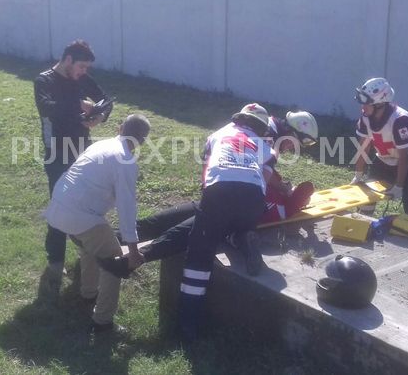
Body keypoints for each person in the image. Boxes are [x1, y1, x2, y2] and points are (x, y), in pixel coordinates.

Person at [98, 110, 320, 278]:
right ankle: (135, 257)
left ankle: (109, 240)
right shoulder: (268, 136)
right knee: (191, 229)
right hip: (232, 195)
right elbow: (261, 172)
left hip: (218, 185)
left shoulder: (260, 123)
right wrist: (282, 188)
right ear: (291, 131)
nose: (294, 149)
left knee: (173, 216)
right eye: (297, 143)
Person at [42, 114, 150, 333]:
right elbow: (126, 207)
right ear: (143, 141)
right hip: (78, 214)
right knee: (114, 261)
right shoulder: (126, 162)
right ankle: (102, 322)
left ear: (120, 128)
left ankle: (88, 293)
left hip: (58, 206)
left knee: (91, 246)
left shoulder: (102, 144)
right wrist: (132, 250)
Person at [178, 103, 274, 342]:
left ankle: (189, 323)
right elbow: (265, 177)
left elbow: (206, 169)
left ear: (239, 119)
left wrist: (207, 200)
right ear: (260, 128)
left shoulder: (217, 135)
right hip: (253, 198)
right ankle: (243, 236)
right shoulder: (264, 145)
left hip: (220, 190)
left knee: (200, 253)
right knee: (238, 224)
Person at [33, 39, 112, 304]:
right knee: (60, 206)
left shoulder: (82, 78)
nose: (83, 72)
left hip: (82, 151)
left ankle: (85, 253)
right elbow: (48, 108)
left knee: (84, 203)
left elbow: (105, 99)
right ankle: (55, 262)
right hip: (57, 152)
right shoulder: (43, 81)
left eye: (87, 68)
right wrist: (80, 105)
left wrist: (100, 116)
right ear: (68, 60)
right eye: (81, 66)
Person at [350, 77, 408, 221]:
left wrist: (399, 186)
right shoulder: (366, 118)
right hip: (385, 156)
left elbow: (404, 156)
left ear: (380, 104)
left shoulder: (401, 120)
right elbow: (363, 147)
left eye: (367, 103)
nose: (363, 107)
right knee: (367, 187)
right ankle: (361, 222)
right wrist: (358, 175)